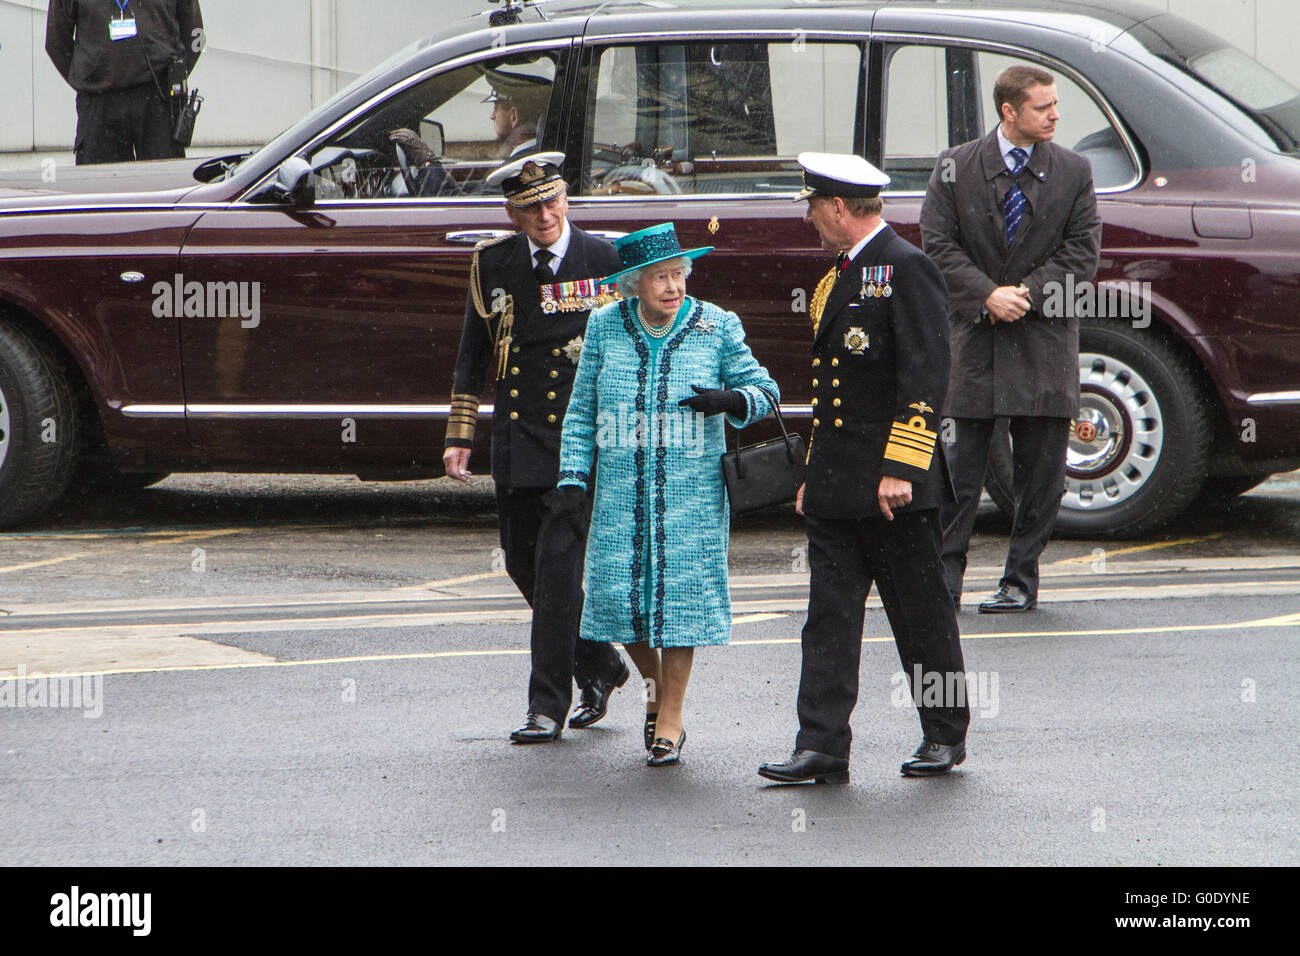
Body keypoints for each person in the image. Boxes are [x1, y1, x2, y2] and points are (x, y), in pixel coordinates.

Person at [758, 154, 970, 785]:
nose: (808, 216)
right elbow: (835, 391)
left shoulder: (909, 268)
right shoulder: (841, 273)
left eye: (814, 205)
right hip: (836, 485)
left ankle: (944, 732)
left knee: (919, 614)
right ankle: (822, 745)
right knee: (828, 618)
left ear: (840, 209)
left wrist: (902, 465)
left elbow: (926, 376)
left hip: (892, 486)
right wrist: (813, 475)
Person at [557, 223, 779, 767]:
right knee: (617, 601)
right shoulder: (605, 326)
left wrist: (731, 399)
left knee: (682, 604)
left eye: (679, 274)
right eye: (660, 277)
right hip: (620, 492)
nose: (673, 286)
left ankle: (670, 717)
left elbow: (767, 393)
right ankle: (656, 686)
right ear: (635, 282)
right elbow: (582, 410)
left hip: (693, 495)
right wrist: (572, 477)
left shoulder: (716, 325)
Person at [443, 152, 630, 744]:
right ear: (512, 214)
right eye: (530, 208)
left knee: (556, 571)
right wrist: (460, 433)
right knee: (521, 561)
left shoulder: (603, 259)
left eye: (551, 202)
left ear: (567, 199)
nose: (544, 215)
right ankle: (599, 662)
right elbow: (474, 351)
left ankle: (547, 704)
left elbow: (628, 350)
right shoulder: (493, 263)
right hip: (519, 436)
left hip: (579, 439)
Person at [920, 64, 1102, 613]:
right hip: (972, 343)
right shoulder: (955, 167)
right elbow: (936, 245)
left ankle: (1020, 580)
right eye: (1042, 106)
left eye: (1054, 104)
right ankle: (944, 582)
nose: (1055, 114)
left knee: (1042, 473)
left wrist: (1020, 293)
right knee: (957, 472)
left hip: (1042, 341)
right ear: (1008, 111)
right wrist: (985, 295)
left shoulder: (1073, 171)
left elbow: (1081, 253)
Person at [46, 0, 204, 165]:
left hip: (159, 100)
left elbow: (196, 34)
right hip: (99, 102)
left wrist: (174, 76)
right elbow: (55, 42)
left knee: (163, 184)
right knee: (102, 185)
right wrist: (88, 77)